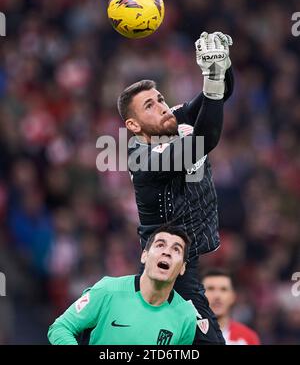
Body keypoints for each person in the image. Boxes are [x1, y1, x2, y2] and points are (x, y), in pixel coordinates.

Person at [117, 31, 234, 344]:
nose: (163, 107)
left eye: (161, 99)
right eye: (150, 106)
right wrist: (212, 78)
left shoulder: (169, 124)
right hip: (166, 268)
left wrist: (222, 65)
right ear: (134, 125)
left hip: (185, 260)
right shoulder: (144, 158)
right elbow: (205, 139)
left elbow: (217, 97)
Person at [48, 224, 198, 345]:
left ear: (183, 267)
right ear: (144, 255)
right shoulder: (108, 290)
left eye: (176, 249)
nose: (167, 252)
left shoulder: (186, 316)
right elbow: (60, 328)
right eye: (160, 245)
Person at [202, 269, 261, 345]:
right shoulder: (188, 334)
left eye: (223, 289)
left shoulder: (248, 338)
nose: (217, 296)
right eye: (211, 289)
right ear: (200, 295)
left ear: (233, 297)